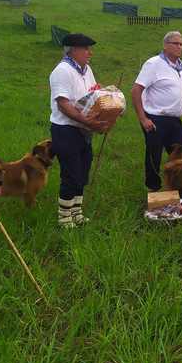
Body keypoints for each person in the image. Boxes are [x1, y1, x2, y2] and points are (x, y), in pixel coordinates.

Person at [50, 34, 108, 228]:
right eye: (87, 48)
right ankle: (64, 218)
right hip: (66, 130)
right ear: (74, 50)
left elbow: (93, 95)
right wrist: (85, 120)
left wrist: (106, 114)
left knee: (82, 174)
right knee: (71, 175)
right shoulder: (63, 71)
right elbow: (63, 105)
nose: (90, 52)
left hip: (84, 129)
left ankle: (77, 213)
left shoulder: (86, 69)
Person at [131, 31, 182, 192]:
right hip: (155, 118)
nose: (179, 47)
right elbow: (135, 91)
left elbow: (175, 94)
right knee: (155, 156)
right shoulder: (154, 64)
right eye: (176, 43)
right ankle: (153, 190)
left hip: (175, 120)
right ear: (165, 45)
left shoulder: (180, 67)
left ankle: (180, 190)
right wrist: (143, 119)